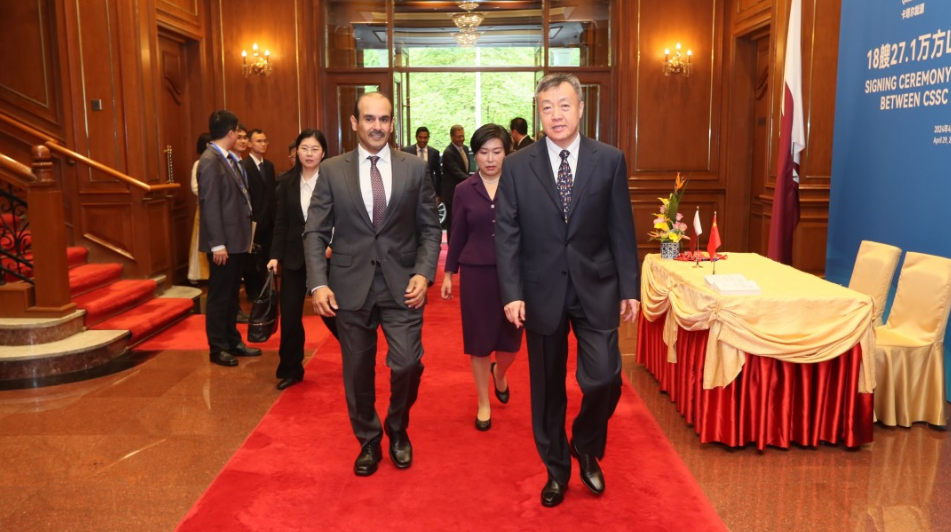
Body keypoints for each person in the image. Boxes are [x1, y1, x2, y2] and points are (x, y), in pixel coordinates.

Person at [495, 73, 640, 508]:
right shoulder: (517, 165)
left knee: (605, 378)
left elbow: (621, 228)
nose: (555, 115)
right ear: (538, 114)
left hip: (597, 285)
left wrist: (629, 287)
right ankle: (556, 470)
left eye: (563, 105)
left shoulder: (609, 159)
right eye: (547, 107)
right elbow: (507, 233)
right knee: (547, 391)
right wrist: (512, 292)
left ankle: (586, 444)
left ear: (579, 108)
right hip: (540, 290)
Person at [304, 92, 441, 477]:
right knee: (358, 371)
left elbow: (430, 228)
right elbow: (315, 231)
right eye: (369, 119)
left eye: (384, 119)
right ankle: (368, 439)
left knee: (408, 364)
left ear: (392, 123)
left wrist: (423, 272)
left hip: (403, 285)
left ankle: (397, 426)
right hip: (349, 286)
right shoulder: (332, 170)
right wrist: (318, 283)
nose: (377, 126)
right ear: (355, 123)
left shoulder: (415, 169)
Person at [440, 124, 521, 432]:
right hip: (476, 273)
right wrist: (449, 273)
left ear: (506, 154)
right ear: (475, 155)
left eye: (497, 152)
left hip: (513, 274)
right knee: (478, 342)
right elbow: (457, 232)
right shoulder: (464, 190)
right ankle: (483, 401)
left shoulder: (519, 185)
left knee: (511, 342)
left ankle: (499, 372)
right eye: (484, 152)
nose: (490, 159)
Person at [266, 129, 331, 391]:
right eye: (304, 148)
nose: (309, 154)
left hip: (325, 257)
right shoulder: (286, 183)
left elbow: (343, 218)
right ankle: (291, 368)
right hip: (294, 257)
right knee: (291, 316)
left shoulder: (333, 180)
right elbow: (281, 223)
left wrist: (333, 246)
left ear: (323, 153)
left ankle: (357, 357)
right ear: (296, 152)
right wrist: (274, 255)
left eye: (315, 149)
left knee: (335, 314)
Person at [197, 110, 263, 367]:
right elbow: (210, 205)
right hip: (223, 243)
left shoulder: (227, 158)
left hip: (236, 241)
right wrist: (217, 244)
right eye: (238, 132)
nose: (240, 137)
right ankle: (218, 347)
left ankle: (233, 341)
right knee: (219, 297)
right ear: (230, 133)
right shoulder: (210, 160)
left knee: (232, 296)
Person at [242, 128, 277, 304]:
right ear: (249, 144)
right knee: (252, 258)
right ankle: (253, 291)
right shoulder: (244, 166)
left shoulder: (269, 166)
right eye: (259, 141)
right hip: (254, 220)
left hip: (270, 220)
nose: (263, 144)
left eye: (265, 141)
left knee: (267, 256)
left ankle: (265, 289)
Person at [187, 132, 212, 283]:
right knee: (201, 239)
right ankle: (198, 275)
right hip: (204, 207)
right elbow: (195, 187)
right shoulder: (199, 163)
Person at [441, 124, 472, 239]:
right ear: (452, 137)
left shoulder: (465, 149)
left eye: (463, 136)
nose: (461, 139)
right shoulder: (448, 152)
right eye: (458, 136)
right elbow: (457, 172)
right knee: (452, 222)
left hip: (463, 192)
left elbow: (465, 170)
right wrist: (473, 180)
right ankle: (452, 245)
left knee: (462, 221)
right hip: (452, 194)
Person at [400, 126, 441, 199]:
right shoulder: (406, 151)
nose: (423, 140)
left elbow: (438, 174)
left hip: (429, 191)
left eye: (425, 138)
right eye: (420, 137)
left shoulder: (434, 153)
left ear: (428, 138)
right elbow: (402, 172)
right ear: (416, 137)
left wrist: (439, 194)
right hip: (410, 190)